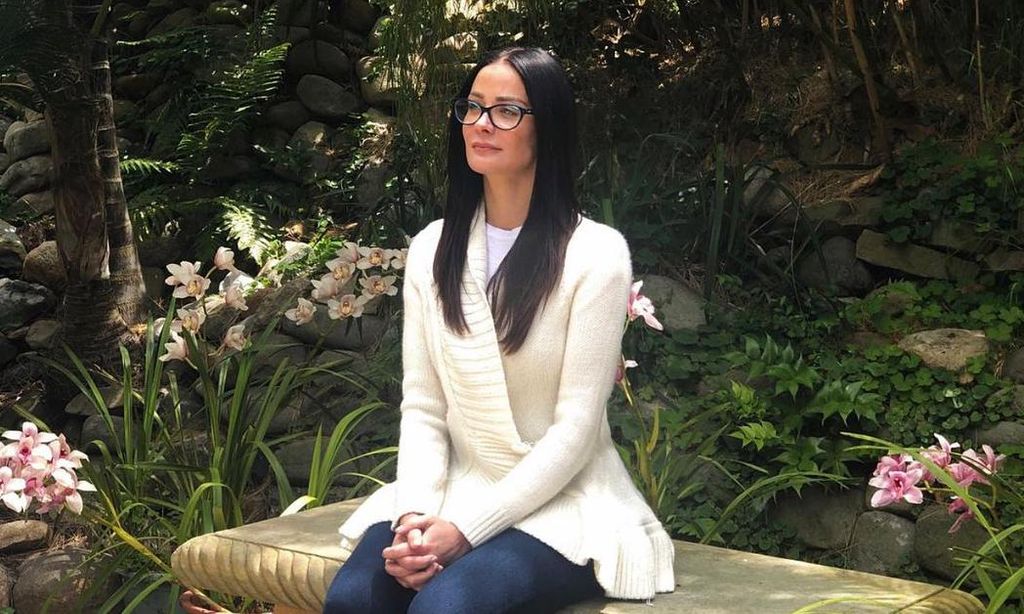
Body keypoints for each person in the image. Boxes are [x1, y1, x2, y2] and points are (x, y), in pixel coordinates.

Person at [323, 46, 675, 614]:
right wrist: (415, 516)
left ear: (548, 128)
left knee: (444, 609)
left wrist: (465, 530)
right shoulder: (432, 248)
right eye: (473, 106)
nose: (481, 124)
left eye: (507, 110)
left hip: (565, 503)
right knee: (353, 602)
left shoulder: (595, 254)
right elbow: (424, 408)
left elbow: (575, 430)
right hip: (454, 488)